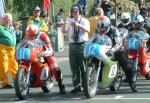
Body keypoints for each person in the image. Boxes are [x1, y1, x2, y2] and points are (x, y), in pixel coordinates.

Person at [25, 24, 66, 94]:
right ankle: (25, 84)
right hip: (32, 54)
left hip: (44, 53)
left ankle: (61, 85)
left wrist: (43, 53)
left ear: (37, 33)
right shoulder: (27, 36)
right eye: (29, 35)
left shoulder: (43, 36)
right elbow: (22, 45)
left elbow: (50, 49)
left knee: (54, 65)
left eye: (33, 35)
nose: (31, 37)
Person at [114, 14, 149, 92]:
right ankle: (129, 76)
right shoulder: (130, 29)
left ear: (141, 23)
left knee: (144, 54)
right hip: (132, 47)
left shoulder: (145, 29)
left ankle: (146, 72)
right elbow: (126, 36)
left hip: (142, 47)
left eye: (137, 24)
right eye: (134, 24)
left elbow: (147, 37)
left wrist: (145, 39)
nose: (136, 25)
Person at [62, 5, 90, 93]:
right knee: (74, 67)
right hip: (72, 45)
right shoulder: (70, 20)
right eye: (73, 12)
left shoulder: (84, 20)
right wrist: (65, 23)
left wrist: (78, 25)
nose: (74, 14)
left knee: (83, 66)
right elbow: (63, 31)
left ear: (80, 12)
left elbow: (88, 30)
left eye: (76, 12)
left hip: (82, 45)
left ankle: (86, 85)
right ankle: (76, 85)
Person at [0, 13, 18, 88]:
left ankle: (17, 81)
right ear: (3, 20)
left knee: (15, 66)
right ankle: (5, 83)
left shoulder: (12, 28)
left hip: (12, 49)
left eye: (9, 19)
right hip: (3, 49)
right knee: (4, 66)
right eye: (6, 19)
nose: (8, 20)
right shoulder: (0, 28)